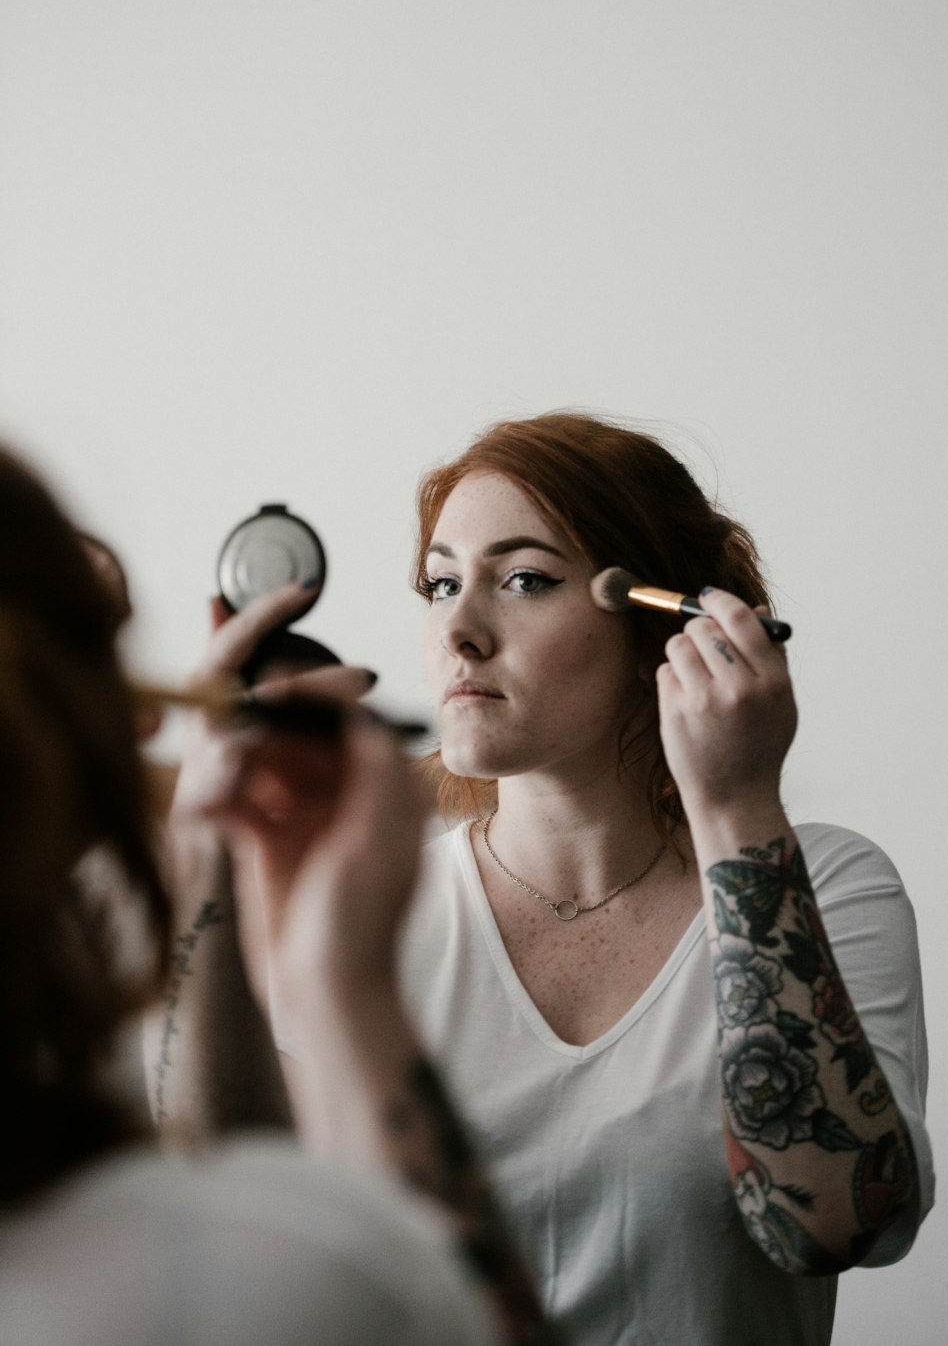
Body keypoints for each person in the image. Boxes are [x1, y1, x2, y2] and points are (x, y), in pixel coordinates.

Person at [162, 411, 933, 1346]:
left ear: (667, 622)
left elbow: (825, 1225)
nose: (460, 629)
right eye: (440, 583)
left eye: (524, 579)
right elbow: (237, 1192)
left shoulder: (828, 882)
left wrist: (736, 805)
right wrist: (208, 859)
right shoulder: (369, 895)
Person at [0, 444, 545, 1346]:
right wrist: (341, 980)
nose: (150, 719)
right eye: (440, 584)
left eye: (525, 578)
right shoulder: (299, 1275)